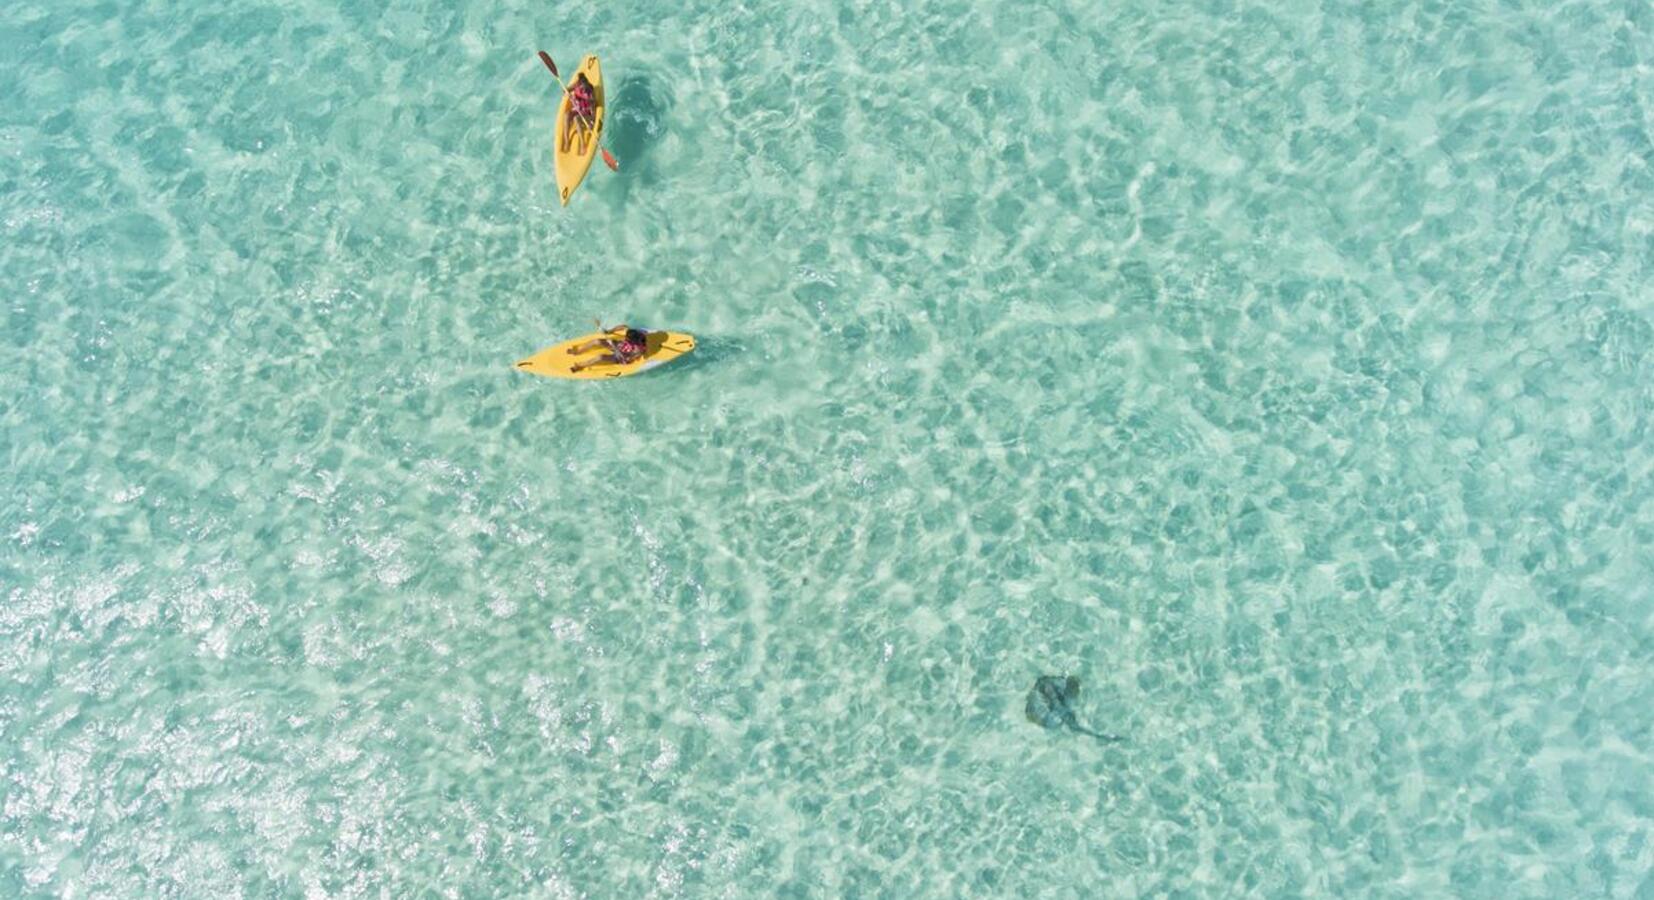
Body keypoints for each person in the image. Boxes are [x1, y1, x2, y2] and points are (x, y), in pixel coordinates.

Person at [569, 326, 650, 373]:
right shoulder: (637, 333)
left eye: (628, 339)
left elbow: (626, 358)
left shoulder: (639, 350)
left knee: (600, 357)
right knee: (598, 341)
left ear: (633, 341)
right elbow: (623, 326)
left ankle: (580, 366)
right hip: (619, 346)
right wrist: (609, 331)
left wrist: (614, 346)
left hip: (621, 356)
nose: (625, 338)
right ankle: (577, 351)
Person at [563, 73, 596, 152]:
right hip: (578, 109)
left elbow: (593, 115)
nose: (583, 89)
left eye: (585, 87)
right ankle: (567, 141)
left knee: (576, 119)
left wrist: (591, 123)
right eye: (582, 87)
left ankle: (582, 144)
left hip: (586, 113)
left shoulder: (590, 94)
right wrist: (567, 93)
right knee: (567, 115)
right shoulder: (576, 86)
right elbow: (565, 90)